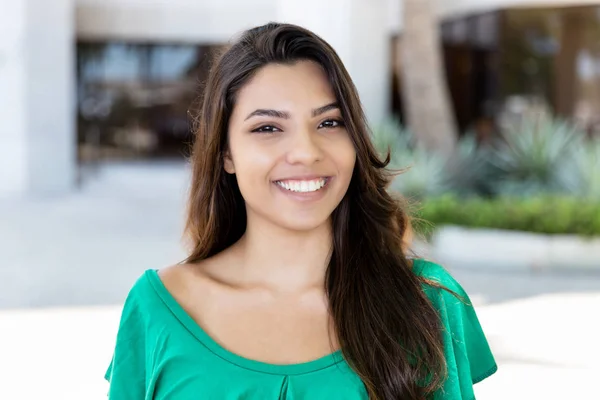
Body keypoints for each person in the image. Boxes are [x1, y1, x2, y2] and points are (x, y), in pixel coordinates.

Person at [104, 22, 497, 400]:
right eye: (268, 128)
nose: (307, 152)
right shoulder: (159, 309)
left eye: (329, 122)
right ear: (226, 153)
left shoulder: (427, 302)